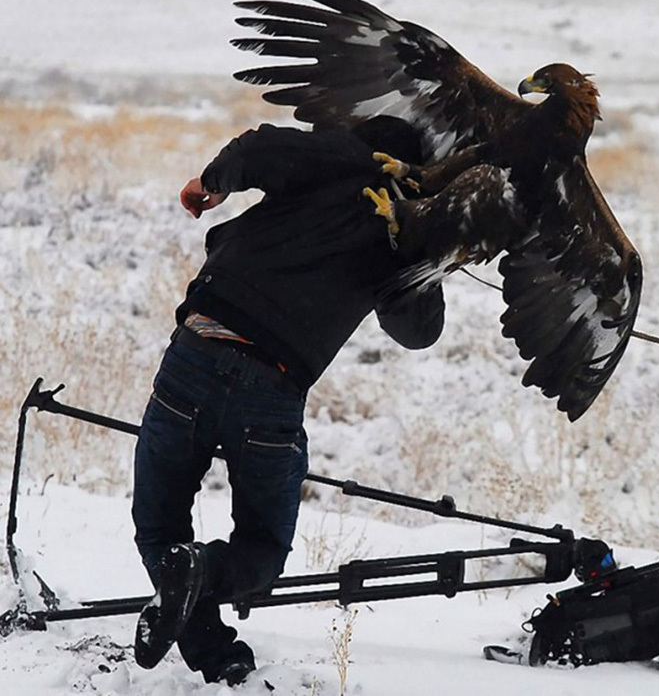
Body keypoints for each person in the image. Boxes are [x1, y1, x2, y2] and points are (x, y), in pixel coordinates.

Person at [131, 116, 445, 686]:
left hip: (195, 353)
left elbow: (260, 147)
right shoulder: (401, 223)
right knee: (262, 551)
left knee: (158, 527)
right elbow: (419, 330)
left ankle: (196, 605)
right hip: (270, 391)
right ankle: (209, 624)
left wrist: (214, 180)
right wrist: (419, 244)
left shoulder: (336, 157)